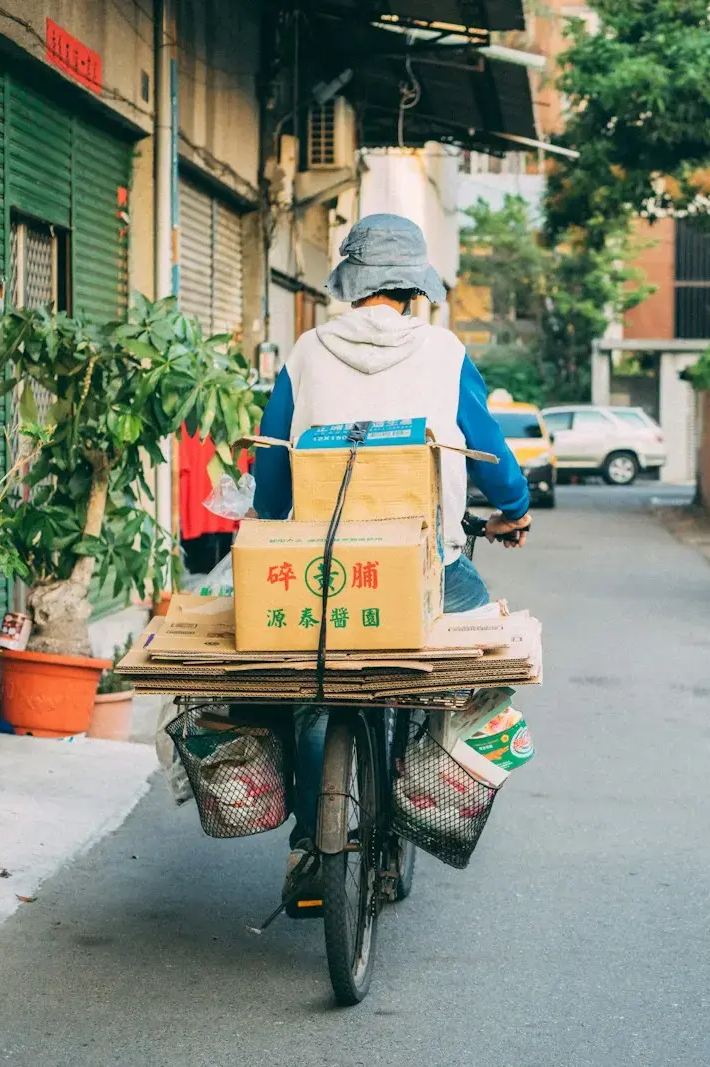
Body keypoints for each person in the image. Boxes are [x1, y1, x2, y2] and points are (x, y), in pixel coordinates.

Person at [250, 212, 532, 896]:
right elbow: (489, 450)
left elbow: (270, 476)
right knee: (473, 669)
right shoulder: (445, 353)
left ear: (351, 284)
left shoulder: (305, 352)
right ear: (414, 289)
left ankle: (309, 844)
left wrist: (274, 517)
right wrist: (516, 508)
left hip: (325, 569)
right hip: (428, 564)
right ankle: (417, 787)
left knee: (313, 689)